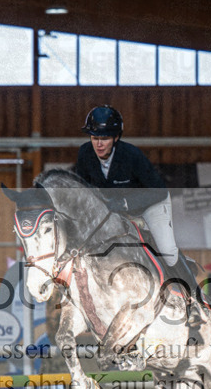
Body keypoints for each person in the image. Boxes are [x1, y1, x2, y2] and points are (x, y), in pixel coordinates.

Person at [74, 104, 203, 306]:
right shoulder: (85, 154)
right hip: (114, 211)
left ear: (116, 138)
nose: (98, 144)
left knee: (167, 250)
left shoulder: (131, 156)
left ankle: (195, 300)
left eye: (105, 138)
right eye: (94, 138)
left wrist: (124, 203)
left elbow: (158, 191)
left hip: (151, 204)